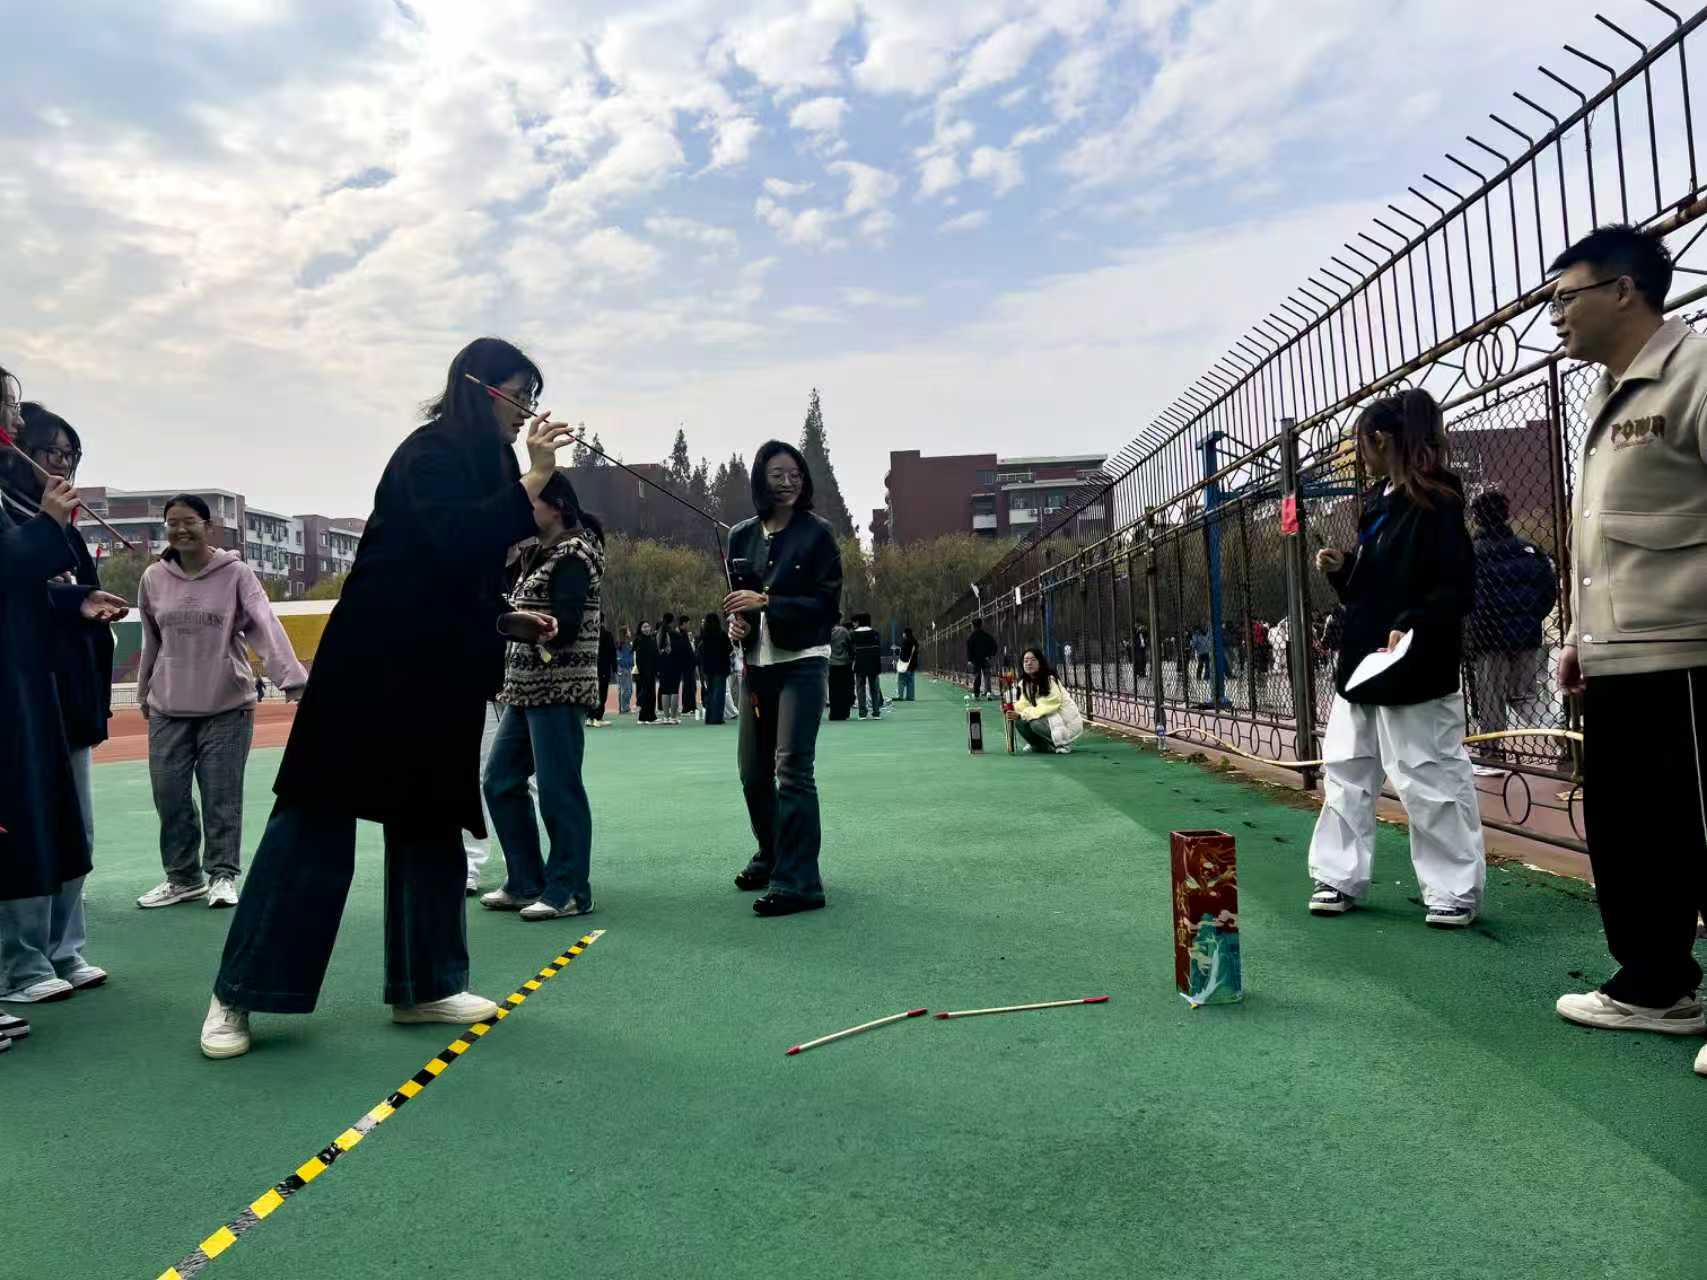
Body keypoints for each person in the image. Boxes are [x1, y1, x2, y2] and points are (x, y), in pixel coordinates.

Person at [199, 337, 579, 1059]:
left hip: (441, 674)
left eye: (533, 395)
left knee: (430, 819)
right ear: (476, 386)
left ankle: (426, 985)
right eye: (518, 393)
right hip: (369, 664)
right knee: (313, 821)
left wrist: (508, 618)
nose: (527, 409)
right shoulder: (425, 453)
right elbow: (447, 538)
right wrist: (536, 476)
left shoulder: (494, 467)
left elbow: (462, 573)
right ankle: (239, 992)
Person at [1543, 226, 1707, 1074]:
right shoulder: (1608, 397)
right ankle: (1654, 986)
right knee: (1634, 833)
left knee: (1699, 828)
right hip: (1619, 655)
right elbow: (1605, 539)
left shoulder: (1694, 373)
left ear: (1622, 290)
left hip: (1688, 653)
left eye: (1563, 297)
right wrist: (1579, 636)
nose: (1554, 316)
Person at [1307, 388, 1486, 928]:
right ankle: (1337, 875)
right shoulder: (1379, 504)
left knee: (1427, 775)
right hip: (1364, 661)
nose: (1359, 454)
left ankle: (1453, 889)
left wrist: (1411, 623)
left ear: (1381, 440)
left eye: (1361, 443)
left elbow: (1455, 587)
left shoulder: (1438, 501)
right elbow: (1371, 587)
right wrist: (1344, 569)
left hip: (1415, 662)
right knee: (1346, 770)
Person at [0, 392, 125, 1007]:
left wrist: (81, 600)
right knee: (26, 827)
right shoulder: (22, 516)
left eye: (70, 454)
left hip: (61, 696)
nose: (61, 464)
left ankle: (62, 948)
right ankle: (20, 961)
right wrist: (47, 526)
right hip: (19, 696)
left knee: (71, 829)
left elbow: (44, 595)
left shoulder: (59, 524)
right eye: (50, 451)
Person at [135, 493, 307, 911]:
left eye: (189, 521)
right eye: (172, 523)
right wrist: (143, 691)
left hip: (227, 706)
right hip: (169, 705)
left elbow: (264, 623)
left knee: (221, 796)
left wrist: (292, 679)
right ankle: (183, 878)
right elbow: (151, 639)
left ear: (208, 527)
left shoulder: (236, 574)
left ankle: (222, 875)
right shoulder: (153, 578)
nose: (180, 529)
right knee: (169, 795)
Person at [725, 440, 842, 916]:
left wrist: (769, 603)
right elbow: (740, 602)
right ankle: (771, 853)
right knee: (753, 773)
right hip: (757, 666)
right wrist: (738, 624)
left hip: (803, 662)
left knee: (791, 768)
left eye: (795, 474)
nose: (788, 482)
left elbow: (827, 606)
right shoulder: (740, 536)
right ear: (761, 479)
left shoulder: (819, 534)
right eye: (777, 474)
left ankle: (800, 881)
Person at [480, 475, 604, 920]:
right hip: (525, 690)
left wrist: (532, 626)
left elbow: (565, 626)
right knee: (499, 781)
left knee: (558, 789)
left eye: (530, 502)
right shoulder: (534, 554)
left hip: (560, 689)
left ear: (557, 506)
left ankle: (571, 889)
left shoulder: (574, 555)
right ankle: (525, 881)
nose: (522, 510)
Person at [1465, 490, 1558, 758]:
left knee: (1491, 697)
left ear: (1477, 517)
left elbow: (1465, 598)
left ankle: (1491, 753)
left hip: (1487, 638)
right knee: (1526, 695)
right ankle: (1558, 732)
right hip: (1525, 634)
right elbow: (1548, 592)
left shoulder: (1471, 554)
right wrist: (1530, 617)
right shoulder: (1529, 550)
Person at [1005, 647, 1083, 754]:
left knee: (1034, 723)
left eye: (1033, 660)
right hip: (1050, 720)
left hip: (1065, 722)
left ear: (1040, 662)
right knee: (1020, 722)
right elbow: (1023, 704)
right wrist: (1011, 709)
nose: (1029, 663)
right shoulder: (1025, 683)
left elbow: (1047, 706)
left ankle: (1063, 744)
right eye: (1026, 661)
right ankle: (1039, 745)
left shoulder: (1049, 680)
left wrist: (1022, 715)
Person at [699, 612, 731, 725]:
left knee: (710, 692)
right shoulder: (722, 635)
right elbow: (729, 649)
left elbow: (701, 651)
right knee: (719, 693)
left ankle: (709, 717)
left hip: (708, 668)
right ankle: (717, 718)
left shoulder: (704, 636)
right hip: (721, 667)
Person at [851, 612, 884, 718]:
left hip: (860, 664)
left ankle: (862, 713)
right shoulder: (875, 633)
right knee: (874, 688)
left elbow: (851, 650)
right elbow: (878, 649)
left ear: (859, 621)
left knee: (860, 688)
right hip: (873, 663)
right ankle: (876, 712)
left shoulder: (853, 634)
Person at [826, 614, 855, 720]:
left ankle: (834, 713)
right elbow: (850, 645)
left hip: (832, 664)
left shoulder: (826, 631)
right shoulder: (844, 631)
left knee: (833, 690)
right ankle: (844, 713)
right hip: (844, 664)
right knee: (844, 689)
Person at [656, 612, 681, 723]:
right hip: (674, 663)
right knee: (674, 690)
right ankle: (673, 717)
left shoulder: (659, 633)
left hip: (662, 663)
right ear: (672, 621)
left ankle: (666, 717)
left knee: (665, 690)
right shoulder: (674, 634)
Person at [634, 620, 660, 723]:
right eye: (644, 627)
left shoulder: (652, 640)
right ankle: (642, 717)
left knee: (652, 694)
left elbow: (656, 655)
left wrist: (657, 669)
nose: (647, 629)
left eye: (648, 626)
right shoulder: (639, 640)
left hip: (652, 671)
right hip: (643, 672)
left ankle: (651, 716)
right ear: (640, 629)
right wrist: (642, 671)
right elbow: (638, 659)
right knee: (645, 693)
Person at [592, 622, 616, 727]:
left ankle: (590, 717)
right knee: (602, 693)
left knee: (593, 691)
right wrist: (614, 668)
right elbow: (612, 652)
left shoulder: (589, 632)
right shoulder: (606, 634)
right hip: (602, 668)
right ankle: (597, 717)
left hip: (591, 668)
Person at [675, 614, 699, 720]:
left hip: (689, 664)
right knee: (688, 686)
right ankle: (687, 707)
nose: (689, 625)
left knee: (691, 686)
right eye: (688, 623)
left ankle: (691, 706)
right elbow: (684, 650)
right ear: (684, 623)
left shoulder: (684, 634)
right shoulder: (680, 634)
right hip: (686, 665)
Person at [967, 618, 997, 699]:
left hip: (976, 660)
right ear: (981, 625)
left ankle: (976, 693)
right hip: (985, 659)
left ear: (973, 626)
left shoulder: (971, 637)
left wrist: (969, 659)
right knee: (987, 675)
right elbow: (994, 645)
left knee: (977, 676)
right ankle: (988, 692)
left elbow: (969, 649)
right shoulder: (986, 635)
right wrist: (990, 655)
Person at [615, 624, 635, 715]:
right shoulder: (620, 645)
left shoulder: (629, 644)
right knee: (625, 689)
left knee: (629, 689)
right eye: (628, 630)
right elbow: (619, 658)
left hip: (628, 668)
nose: (630, 632)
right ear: (625, 633)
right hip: (622, 669)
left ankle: (624, 708)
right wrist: (623, 666)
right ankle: (624, 708)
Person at [896, 625, 919, 701]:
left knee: (901, 680)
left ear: (905, 634)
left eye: (903, 633)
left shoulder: (905, 642)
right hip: (912, 665)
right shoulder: (915, 642)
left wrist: (900, 662)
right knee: (910, 681)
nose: (903, 634)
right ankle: (910, 696)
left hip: (905, 665)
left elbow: (903, 654)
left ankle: (900, 696)